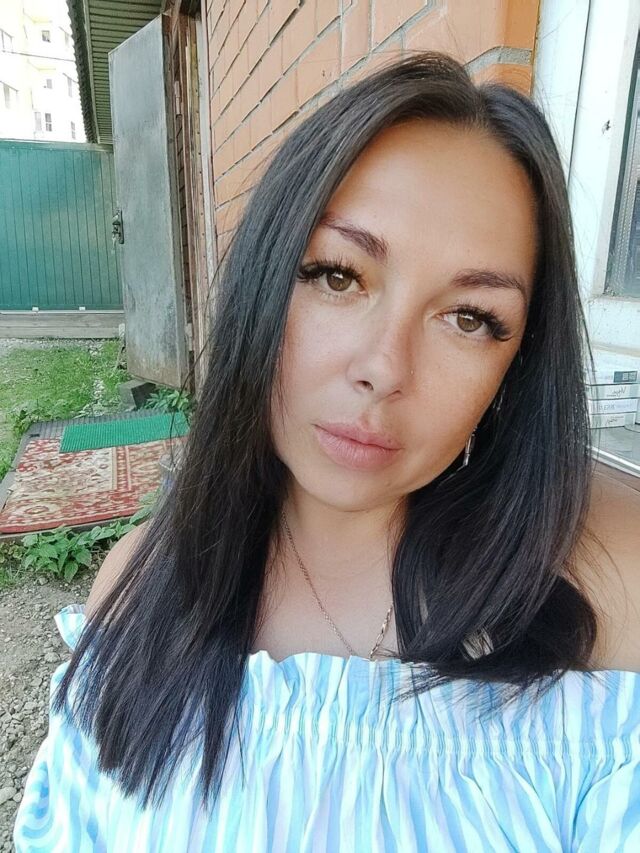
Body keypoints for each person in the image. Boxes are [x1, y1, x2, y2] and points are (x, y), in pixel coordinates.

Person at [13, 51, 640, 851]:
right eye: (338, 275)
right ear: (265, 278)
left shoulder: (603, 600)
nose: (384, 367)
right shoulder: (141, 587)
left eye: (470, 317)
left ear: (515, 366)